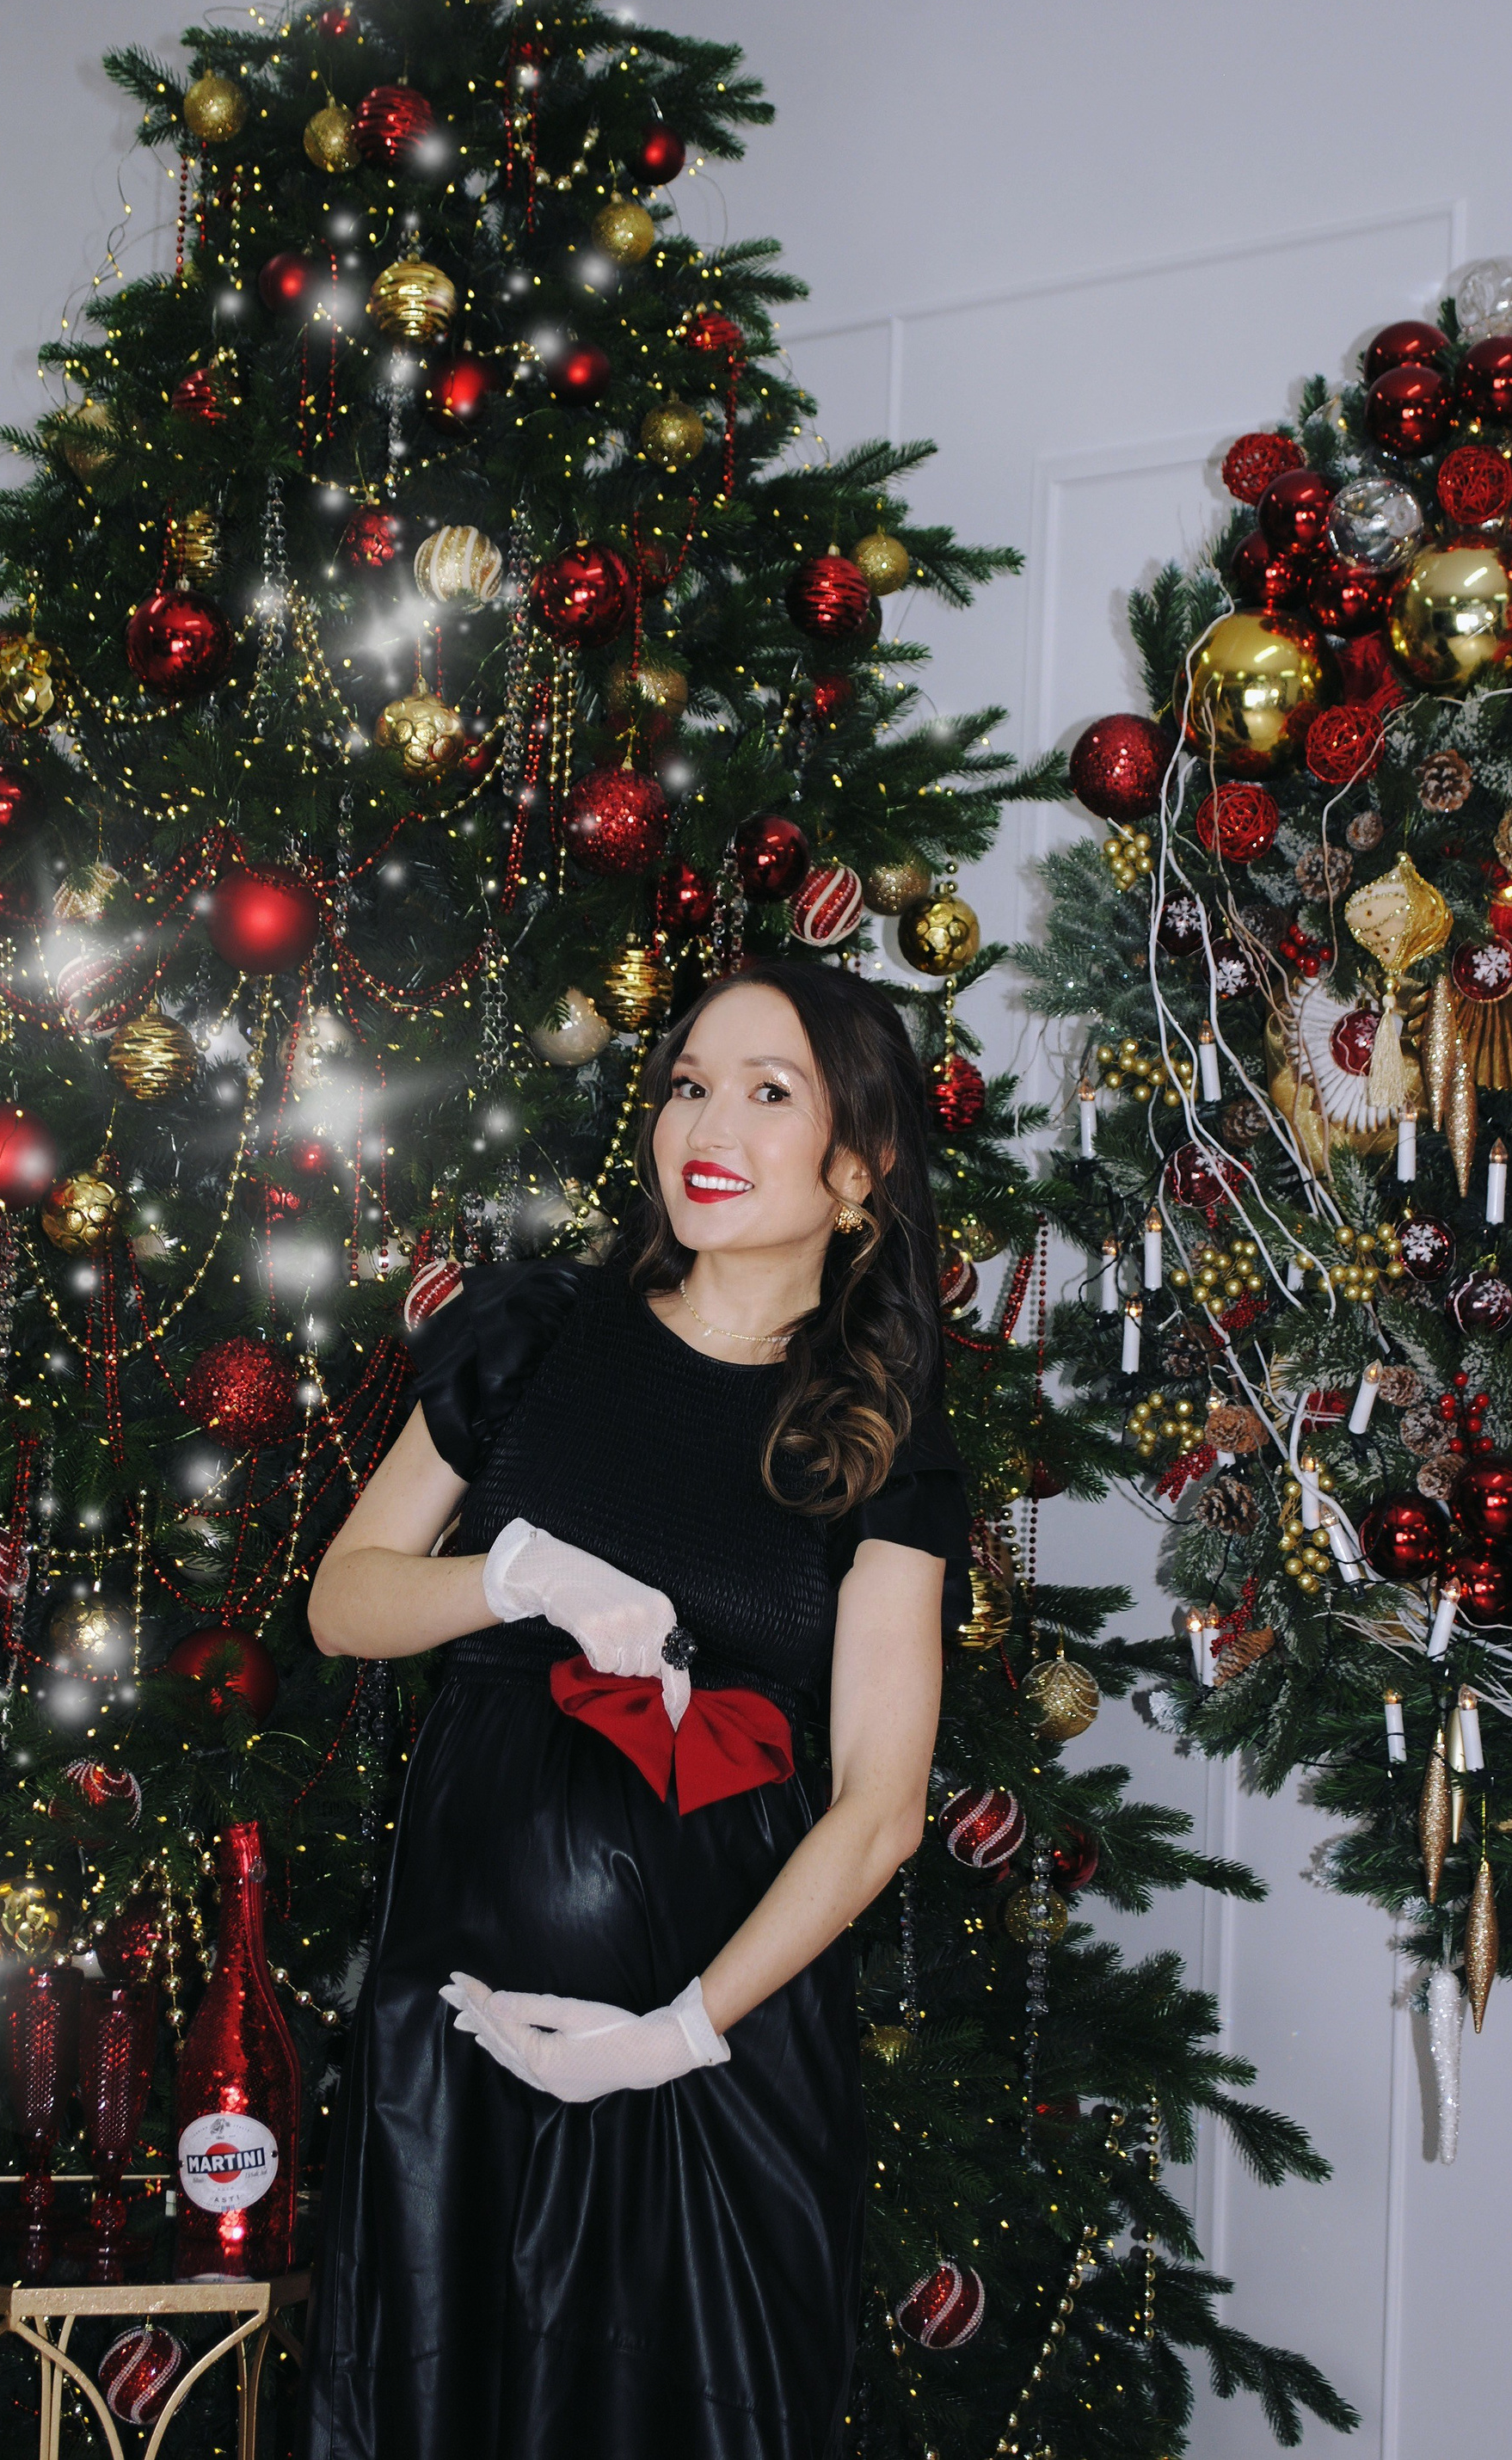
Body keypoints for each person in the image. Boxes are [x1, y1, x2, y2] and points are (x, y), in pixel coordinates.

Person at [297, 962, 972, 2460]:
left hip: (706, 2062)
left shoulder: (883, 1441)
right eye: (687, 1086)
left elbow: (881, 1808)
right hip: (461, 2035)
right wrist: (516, 1575)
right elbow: (345, 1601)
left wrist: (671, 2036)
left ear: (857, 1167)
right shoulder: (536, 1330)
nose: (705, 1127)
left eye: (769, 1092)